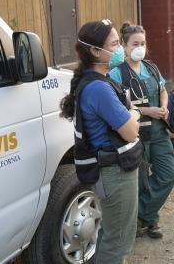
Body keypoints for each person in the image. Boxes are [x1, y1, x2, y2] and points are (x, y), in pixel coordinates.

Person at [60, 19, 144, 264]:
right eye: (115, 44)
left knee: (112, 234)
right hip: (115, 173)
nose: (120, 49)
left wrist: (130, 114)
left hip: (112, 171)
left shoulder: (97, 81)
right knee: (118, 242)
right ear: (95, 51)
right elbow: (130, 132)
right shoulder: (98, 88)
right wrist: (135, 113)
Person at [109, 22, 174, 239]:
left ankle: (141, 214)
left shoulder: (152, 68)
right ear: (125, 47)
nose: (140, 47)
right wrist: (148, 111)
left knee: (168, 175)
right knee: (139, 181)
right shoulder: (117, 74)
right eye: (135, 44)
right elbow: (118, 107)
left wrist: (164, 106)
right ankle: (150, 220)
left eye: (143, 43)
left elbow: (163, 90)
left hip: (159, 132)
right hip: (135, 134)